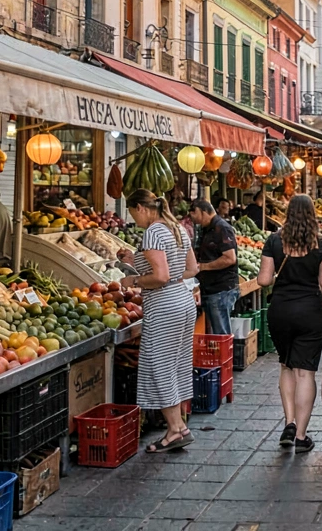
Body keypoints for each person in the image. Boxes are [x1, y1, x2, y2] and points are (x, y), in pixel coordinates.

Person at [116, 189, 199, 453]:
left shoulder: (152, 232)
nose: (134, 219)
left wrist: (133, 281)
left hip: (164, 306)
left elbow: (160, 276)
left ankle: (176, 429)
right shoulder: (176, 228)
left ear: (141, 208)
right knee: (175, 364)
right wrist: (138, 262)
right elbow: (192, 268)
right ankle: (179, 426)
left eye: (132, 213)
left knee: (158, 365)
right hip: (182, 299)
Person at [258, 194, 322, 454]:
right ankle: (301, 435)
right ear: (312, 215)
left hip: (280, 311)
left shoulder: (273, 241)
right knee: (306, 373)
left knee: (286, 365)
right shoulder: (321, 244)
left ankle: (288, 422)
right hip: (310, 312)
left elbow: (264, 280)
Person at [188, 200, 239, 336]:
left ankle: (225, 358)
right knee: (215, 335)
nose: (193, 217)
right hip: (210, 289)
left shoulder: (222, 228)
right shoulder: (206, 229)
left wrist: (204, 266)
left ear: (204, 212)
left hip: (221, 290)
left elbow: (229, 258)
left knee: (220, 334)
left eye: (195, 213)